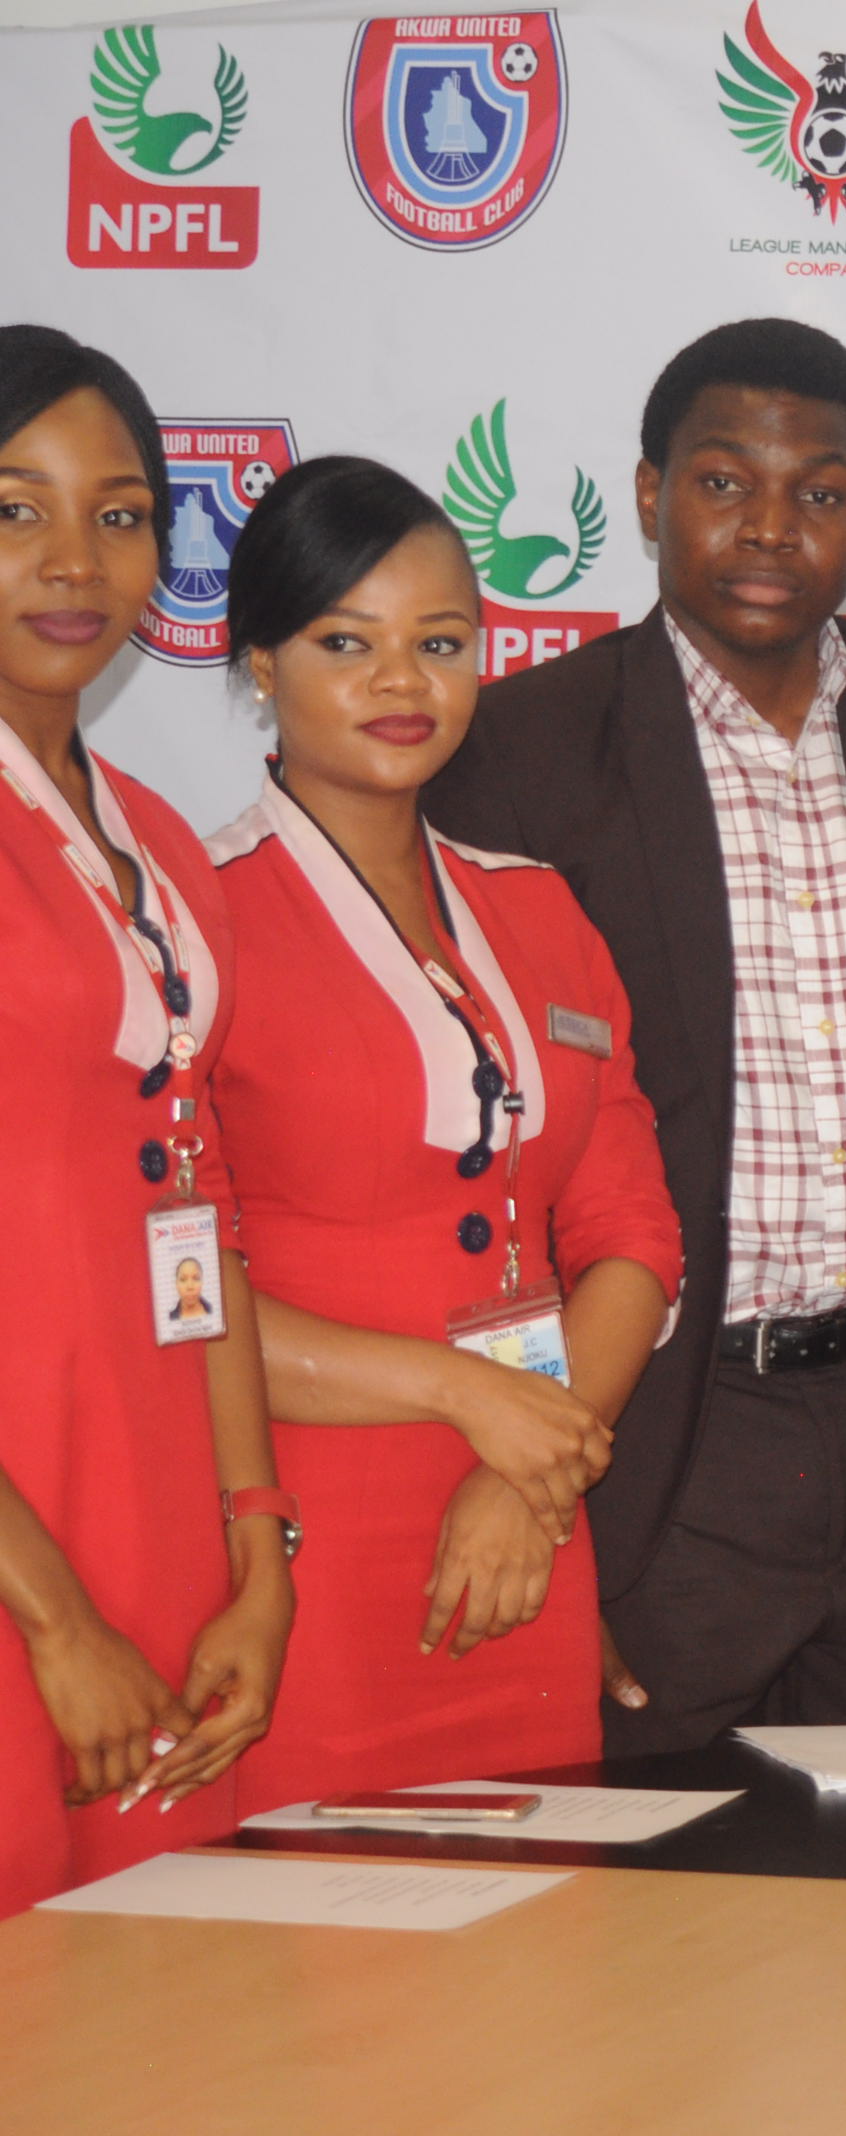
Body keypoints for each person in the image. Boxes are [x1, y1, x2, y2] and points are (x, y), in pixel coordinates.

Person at [422, 322, 846, 1749]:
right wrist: (548, 1512)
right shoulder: (523, 751)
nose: (772, 529)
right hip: (659, 1447)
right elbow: (489, 1182)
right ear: (652, 495)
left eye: (821, 493)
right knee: (636, 1942)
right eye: (726, 484)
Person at [206, 457, 680, 1808]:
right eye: (344, 644)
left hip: (526, 1527)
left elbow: (631, 1230)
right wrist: (470, 1400)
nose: (400, 683)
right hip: (303, 1545)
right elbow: (176, 1297)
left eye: (440, 644)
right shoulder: (199, 917)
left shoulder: (537, 911)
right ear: (258, 665)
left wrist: (529, 1477)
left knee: (535, 1974)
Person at [0, 326, 291, 1912]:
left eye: (119, 515)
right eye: (13, 508)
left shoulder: (163, 841)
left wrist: (255, 1557)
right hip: (24, 1546)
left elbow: (210, 1220)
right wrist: (53, 1620)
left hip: (163, 1525)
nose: (72, 560)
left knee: (165, 2018)